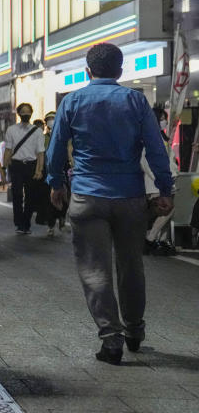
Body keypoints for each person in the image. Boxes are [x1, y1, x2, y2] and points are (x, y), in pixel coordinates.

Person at [46, 43, 174, 365]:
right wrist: (164, 188)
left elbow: (57, 146)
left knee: (94, 269)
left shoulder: (73, 100)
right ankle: (134, 330)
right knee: (131, 264)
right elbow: (156, 148)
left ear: (88, 71)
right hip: (129, 197)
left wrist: (56, 183)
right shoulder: (134, 100)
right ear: (120, 72)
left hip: (87, 196)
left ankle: (111, 338)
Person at [3, 103, 46, 234]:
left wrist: (39, 170)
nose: (25, 114)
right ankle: (19, 223)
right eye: (23, 112)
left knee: (30, 197)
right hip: (16, 165)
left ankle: (26, 224)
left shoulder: (38, 131)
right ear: (19, 113)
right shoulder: (11, 130)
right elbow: (8, 150)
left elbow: (40, 154)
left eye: (28, 112)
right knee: (16, 195)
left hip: (31, 166)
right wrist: (4, 168)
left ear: (31, 113)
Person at [143, 108, 176, 255]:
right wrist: (157, 178)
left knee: (164, 212)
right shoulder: (148, 137)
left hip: (167, 181)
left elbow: (170, 159)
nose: (164, 121)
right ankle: (150, 239)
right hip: (155, 183)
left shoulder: (162, 137)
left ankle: (158, 240)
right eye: (162, 118)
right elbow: (144, 161)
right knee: (165, 210)